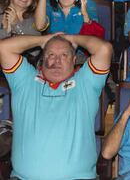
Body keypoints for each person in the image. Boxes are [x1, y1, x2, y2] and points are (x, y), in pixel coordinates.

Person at [0, 33, 112, 179]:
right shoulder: (25, 81)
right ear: (42, 60)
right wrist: (42, 40)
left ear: (74, 60)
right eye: (51, 55)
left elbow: (104, 49)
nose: (57, 61)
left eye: (64, 55)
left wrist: (73, 38)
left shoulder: (86, 83)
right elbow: (3, 47)